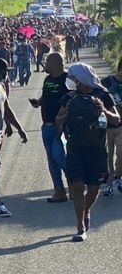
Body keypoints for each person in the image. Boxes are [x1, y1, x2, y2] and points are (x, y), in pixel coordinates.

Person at [57, 63, 120, 241]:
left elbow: (116, 120)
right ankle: (80, 226)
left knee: (93, 187)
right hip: (75, 148)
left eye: (74, 78)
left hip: (96, 149)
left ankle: (86, 211)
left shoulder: (102, 95)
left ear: (83, 78)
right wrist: (65, 115)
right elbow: (58, 121)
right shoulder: (69, 98)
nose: (72, 81)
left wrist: (103, 109)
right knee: (77, 186)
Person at [0, 59, 28, 217]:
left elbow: (6, 108)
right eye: (4, 71)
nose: (6, 74)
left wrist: (18, 128)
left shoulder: (0, 87)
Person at [29, 53, 69, 202]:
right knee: (52, 160)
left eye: (48, 61)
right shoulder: (48, 79)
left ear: (57, 62)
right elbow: (45, 96)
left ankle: (74, 183)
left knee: (59, 156)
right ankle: (59, 191)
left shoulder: (67, 79)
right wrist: (38, 102)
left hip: (60, 126)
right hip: (46, 125)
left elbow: (70, 100)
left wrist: (62, 120)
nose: (45, 63)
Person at [101, 57, 122, 196]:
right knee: (107, 155)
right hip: (106, 125)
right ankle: (109, 182)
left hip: (121, 125)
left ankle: (118, 178)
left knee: (121, 154)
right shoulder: (105, 82)